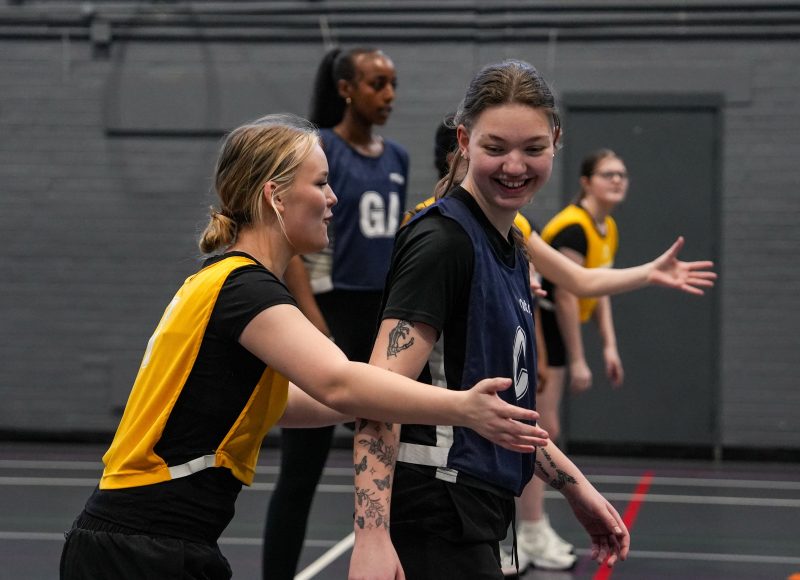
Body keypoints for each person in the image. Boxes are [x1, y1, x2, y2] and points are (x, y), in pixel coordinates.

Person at [59, 114, 548, 580]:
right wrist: (461, 407)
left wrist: (388, 395)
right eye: (320, 183)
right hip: (140, 546)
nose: (333, 198)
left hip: (160, 541)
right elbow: (338, 383)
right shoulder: (244, 289)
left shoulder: (224, 281)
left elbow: (289, 404)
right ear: (274, 195)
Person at [349, 60, 716, 580]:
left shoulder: (512, 251)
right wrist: (371, 537)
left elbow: (505, 416)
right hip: (433, 510)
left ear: (557, 141)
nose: (514, 165)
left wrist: (576, 488)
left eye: (533, 149)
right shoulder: (442, 243)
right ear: (464, 139)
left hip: (480, 507)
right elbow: (375, 396)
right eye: (496, 148)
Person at [262, 47, 410, 579]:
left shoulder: (396, 157)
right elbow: (293, 247)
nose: (389, 94)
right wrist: (313, 326)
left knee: (387, 458)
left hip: (379, 319)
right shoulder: (321, 150)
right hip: (326, 313)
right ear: (347, 88)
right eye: (376, 83)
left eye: (393, 83)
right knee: (300, 474)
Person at [511, 149, 630, 573]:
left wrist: (609, 346)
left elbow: (597, 289)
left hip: (561, 336)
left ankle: (530, 527)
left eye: (622, 175)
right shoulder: (572, 229)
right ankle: (525, 528)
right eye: (608, 174)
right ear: (586, 181)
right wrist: (577, 359)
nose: (618, 181)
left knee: (545, 430)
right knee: (538, 432)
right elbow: (565, 293)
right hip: (544, 333)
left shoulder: (606, 227)